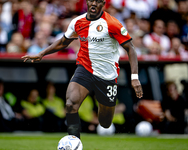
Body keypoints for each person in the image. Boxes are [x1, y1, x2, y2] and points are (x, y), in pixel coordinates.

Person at [22, 0, 143, 139]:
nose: (93, 4)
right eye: (91, 0)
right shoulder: (77, 22)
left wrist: (135, 78)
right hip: (84, 68)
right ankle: (74, 142)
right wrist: (42, 53)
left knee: (105, 123)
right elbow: (63, 42)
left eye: (97, 1)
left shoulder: (112, 23)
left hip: (107, 74)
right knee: (71, 103)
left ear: (103, 3)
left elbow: (131, 49)